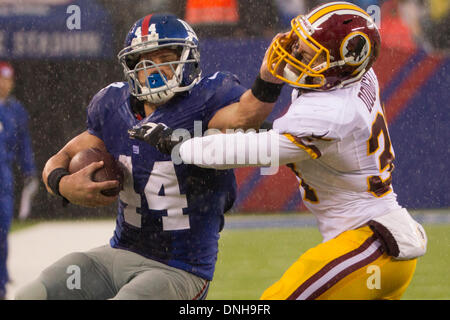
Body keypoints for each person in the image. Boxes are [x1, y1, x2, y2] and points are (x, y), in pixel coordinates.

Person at [134, 2, 428, 300]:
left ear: (341, 63)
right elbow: (278, 135)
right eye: (301, 42)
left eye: (309, 52)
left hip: (369, 243)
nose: (297, 51)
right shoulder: (355, 77)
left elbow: (253, 150)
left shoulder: (331, 112)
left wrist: (180, 144)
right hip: (375, 245)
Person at [15, 13, 283, 300]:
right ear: (132, 68)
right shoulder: (113, 107)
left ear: (187, 61)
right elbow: (62, 157)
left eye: (165, 57)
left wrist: (268, 79)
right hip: (118, 254)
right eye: (144, 61)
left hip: (179, 269)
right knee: (34, 293)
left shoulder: (205, 101)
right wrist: (62, 184)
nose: (155, 69)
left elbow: (247, 115)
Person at [0, 61, 38, 299]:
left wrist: (29, 171)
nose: (4, 84)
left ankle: (1, 279)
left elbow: (23, 143)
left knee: (3, 228)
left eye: (8, 80)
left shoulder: (16, 110)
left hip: (4, 173)